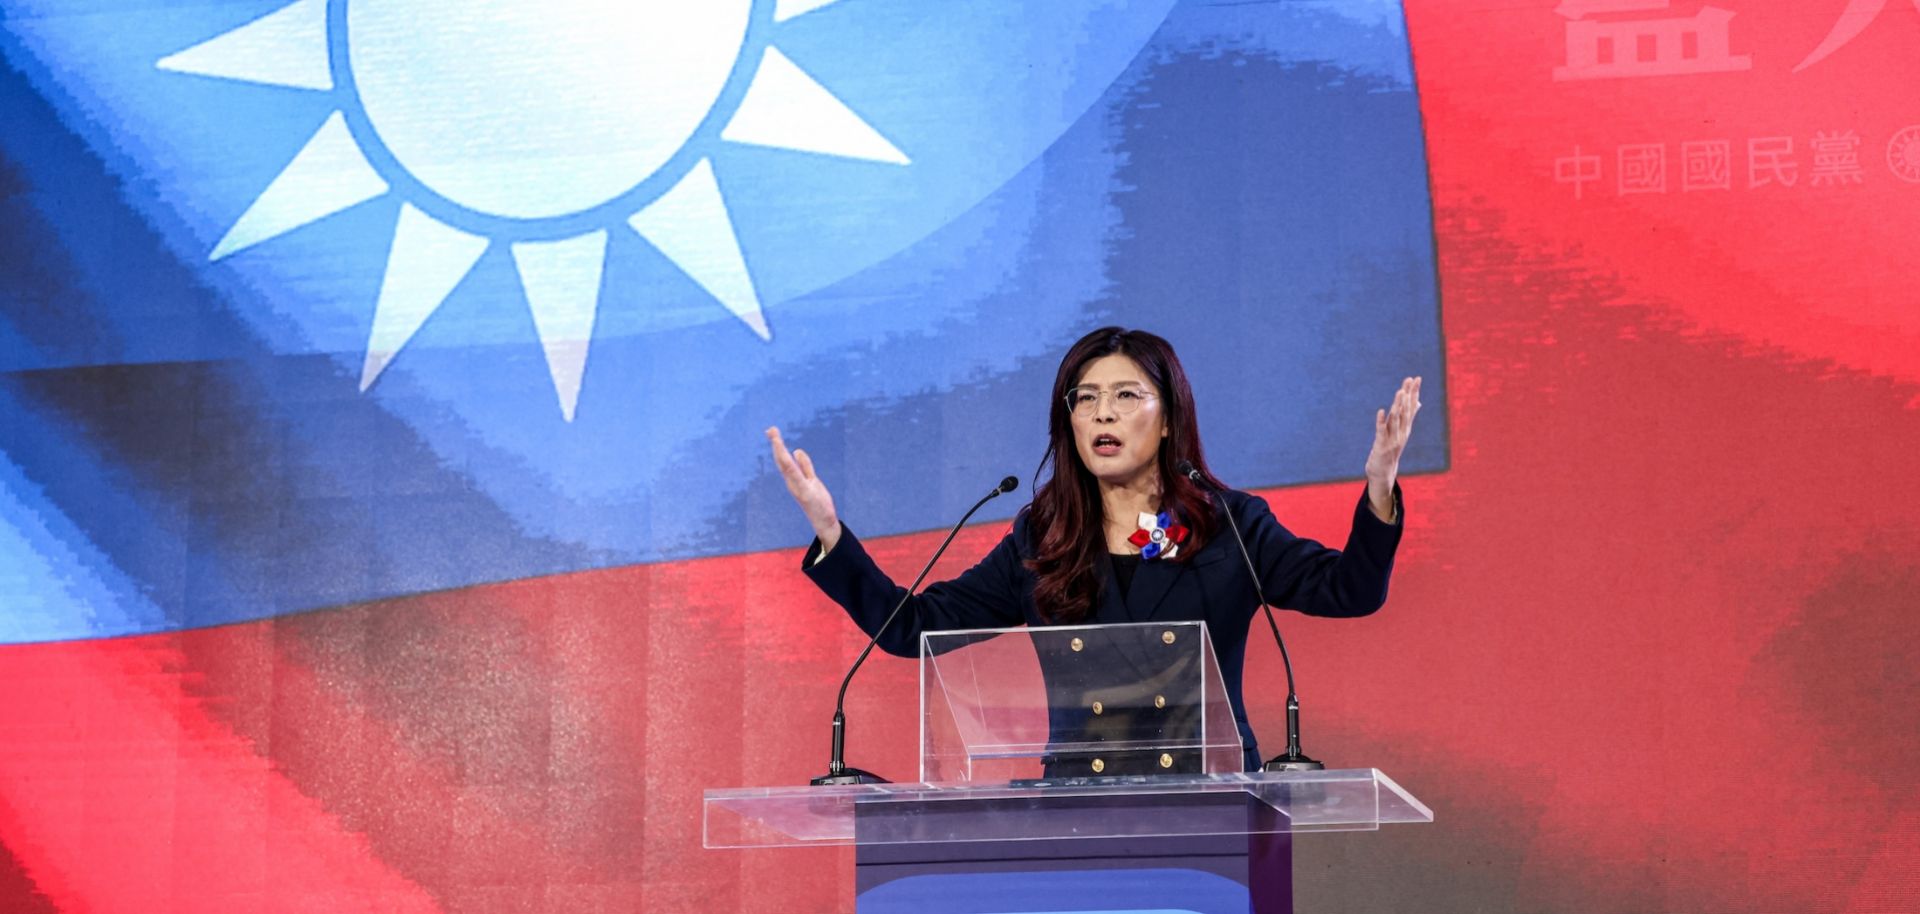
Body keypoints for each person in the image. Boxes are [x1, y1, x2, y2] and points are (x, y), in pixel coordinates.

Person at [765, 327, 1421, 774]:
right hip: (1081, 807)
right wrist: (832, 534)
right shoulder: (1041, 539)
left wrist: (1379, 493)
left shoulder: (1231, 529)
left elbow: (1351, 591)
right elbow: (911, 629)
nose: (1103, 414)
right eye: (1087, 399)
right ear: (1069, 422)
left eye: (1126, 396)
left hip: (1213, 800)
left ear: (1167, 419)